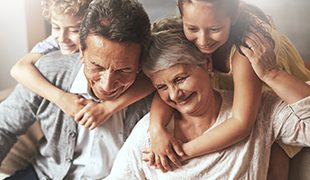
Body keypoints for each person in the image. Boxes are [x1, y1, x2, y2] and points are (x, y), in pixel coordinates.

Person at [105, 24, 310, 180]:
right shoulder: (149, 136)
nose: (175, 95)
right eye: (162, 87)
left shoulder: (259, 110)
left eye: (180, 79)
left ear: (207, 64)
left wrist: (271, 74)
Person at [148, 0, 310, 177]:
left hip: (285, 100)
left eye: (215, 29)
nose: (203, 40)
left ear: (233, 17)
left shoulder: (246, 50)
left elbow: (241, 124)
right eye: (192, 29)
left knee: (271, 164)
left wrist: (180, 153)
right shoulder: (195, 24)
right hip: (244, 100)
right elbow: (164, 83)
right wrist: (157, 130)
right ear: (182, 17)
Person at [0, 0, 151, 179]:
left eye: (123, 70)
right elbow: (4, 127)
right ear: (81, 51)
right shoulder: (49, 70)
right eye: (96, 66)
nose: (107, 85)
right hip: (44, 175)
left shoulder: (156, 91)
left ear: (140, 64)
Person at [10, 0, 153, 130]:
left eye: (74, 30)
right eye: (56, 27)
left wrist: (108, 107)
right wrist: (61, 98)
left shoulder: (137, 45)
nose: (62, 38)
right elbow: (19, 69)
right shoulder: (50, 58)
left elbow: (155, 76)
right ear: (82, 53)